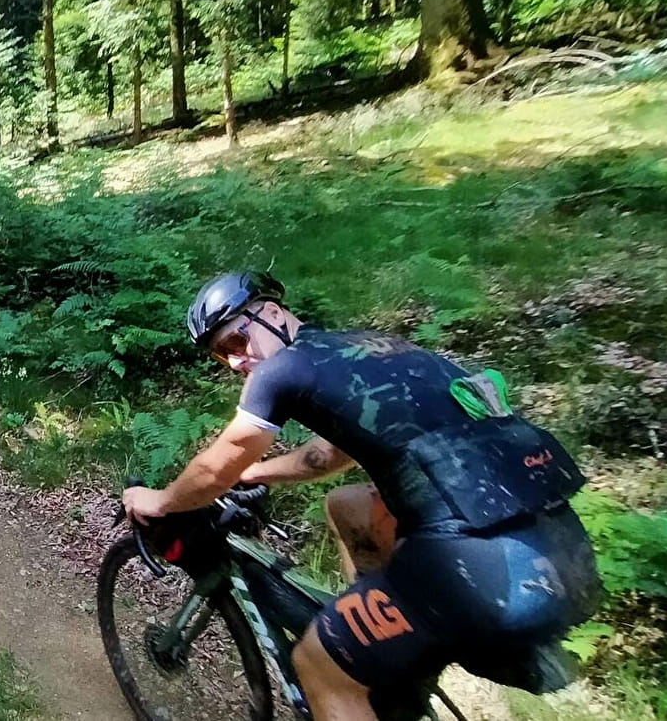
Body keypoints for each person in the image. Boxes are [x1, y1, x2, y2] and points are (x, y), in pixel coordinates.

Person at [122, 271, 600, 721]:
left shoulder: (282, 369)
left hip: (474, 573)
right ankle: (381, 642)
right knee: (348, 506)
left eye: (236, 342)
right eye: (221, 356)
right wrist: (253, 474)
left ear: (270, 312)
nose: (235, 361)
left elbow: (215, 466)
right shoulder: (374, 348)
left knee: (316, 666)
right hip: (561, 552)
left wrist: (158, 501)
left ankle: (358, 659)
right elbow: (327, 456)